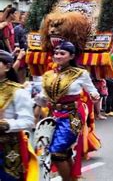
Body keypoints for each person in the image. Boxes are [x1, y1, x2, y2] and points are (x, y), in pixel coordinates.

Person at [38, 41, 100, 181]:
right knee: (63, 152)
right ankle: (73, 179)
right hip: (54, 116)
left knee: (56, 152)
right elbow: (43, 97)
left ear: (71, 56)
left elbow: (93, 91)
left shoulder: (80, 73)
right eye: (56, 53)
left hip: (73, 116)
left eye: (62, 53)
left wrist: (95, 96)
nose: (58, 56)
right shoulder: (48, 75)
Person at [0, 50, 37, 181]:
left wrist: (6, 124)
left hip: (8, 146)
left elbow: (28, 121)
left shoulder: (17, 91)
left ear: (8, 67)